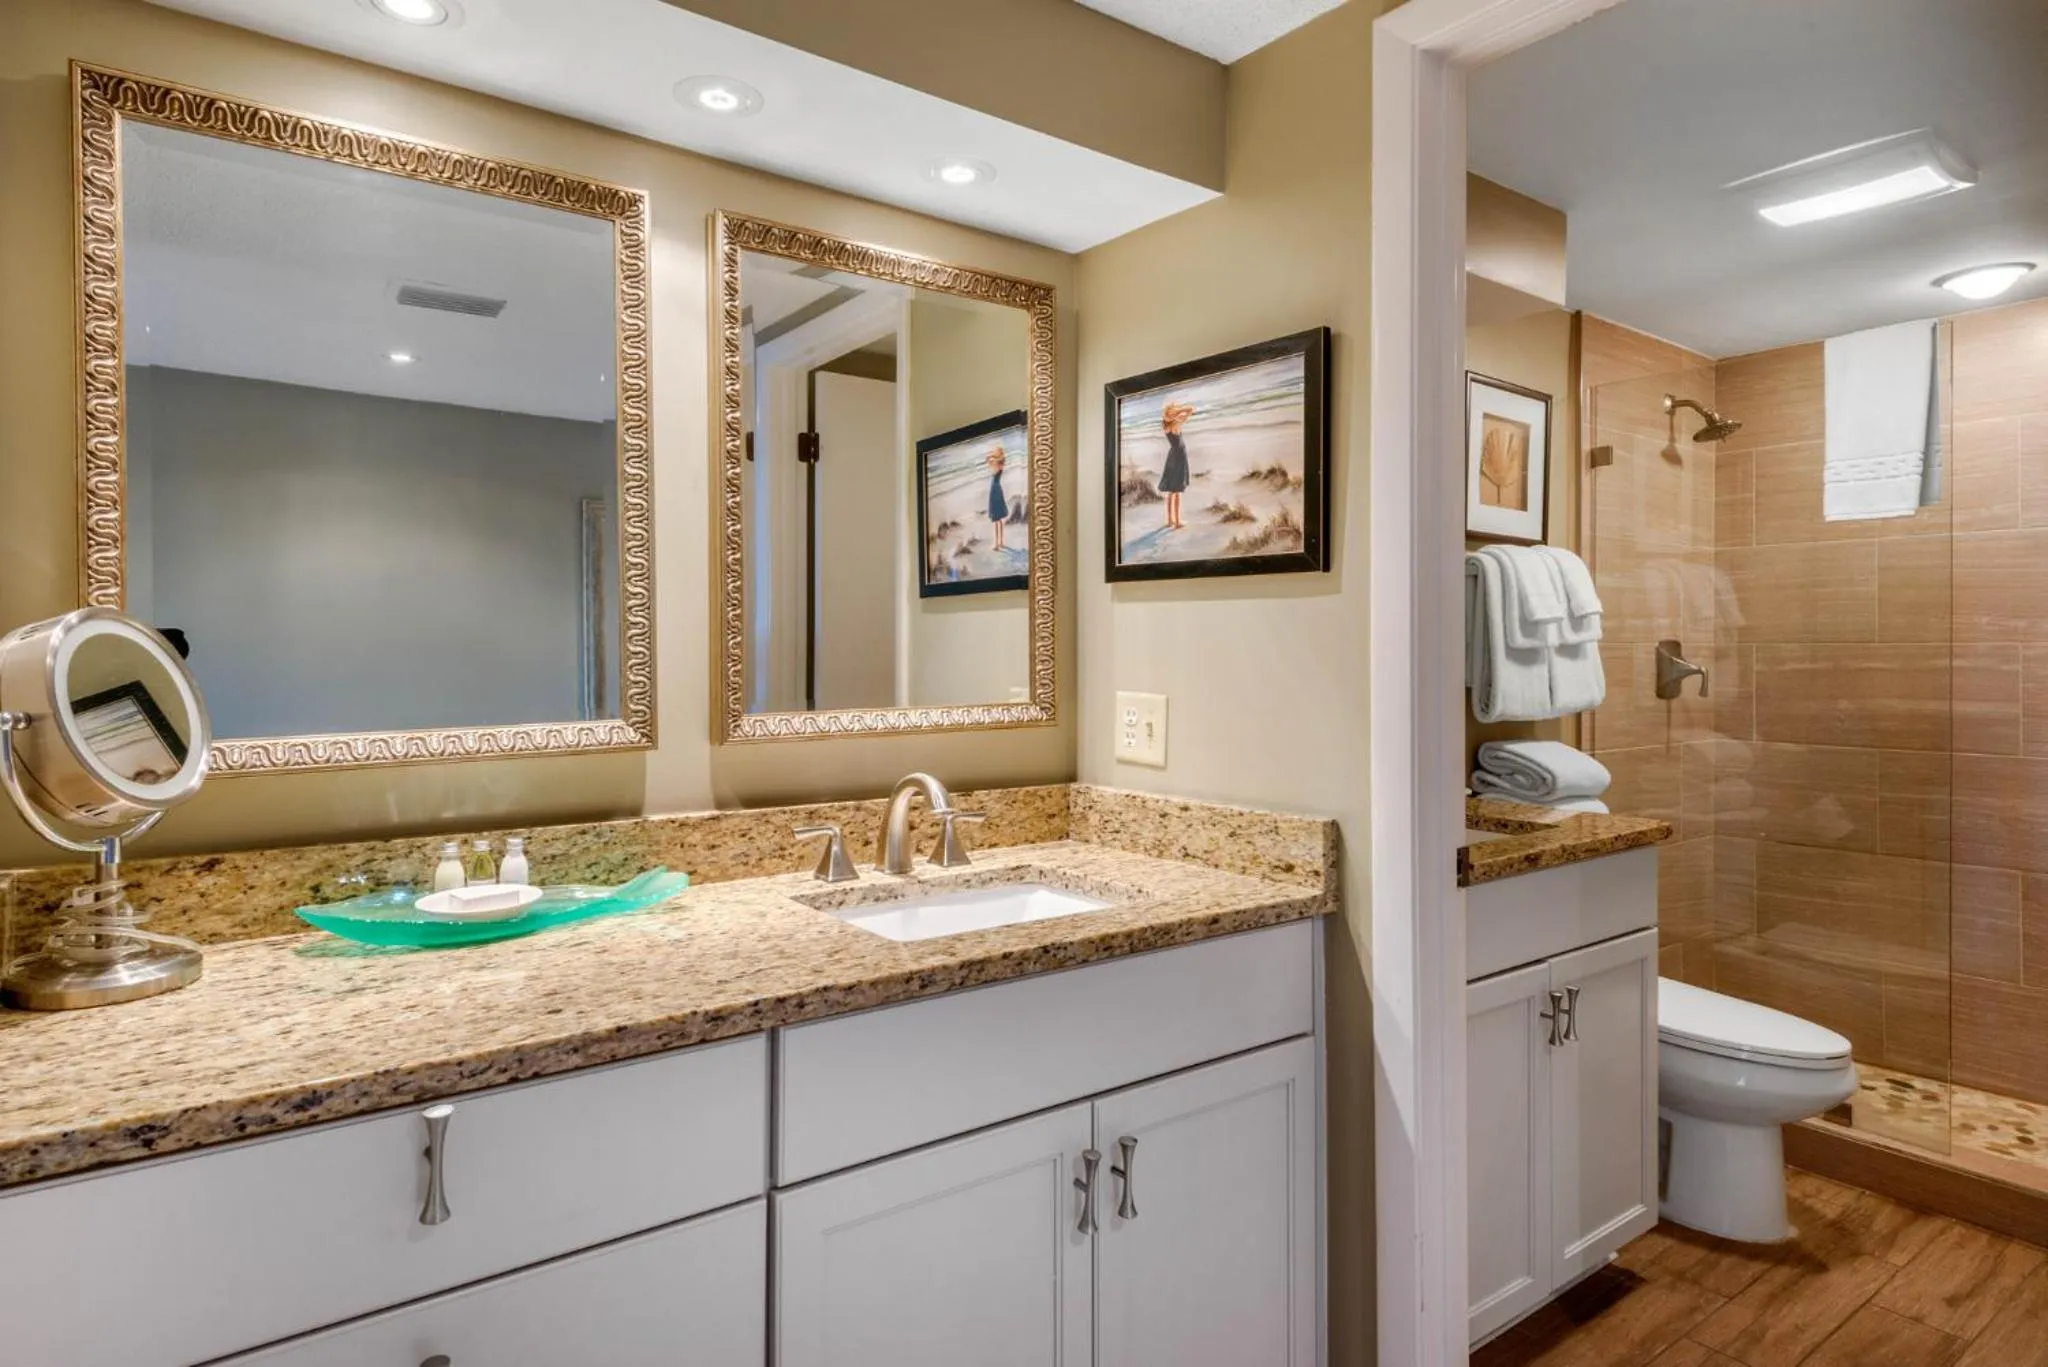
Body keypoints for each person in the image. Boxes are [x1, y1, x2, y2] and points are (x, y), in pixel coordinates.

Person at [1158, 401, 1194, 530]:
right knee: (1176, 491)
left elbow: (1191, 409)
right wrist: (1177, 412)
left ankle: (1170, 521)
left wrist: (1177, 411)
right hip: (1177, 458)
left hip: (1175, 457)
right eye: (1172, 411)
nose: (1175, 412)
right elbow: (1188, 410)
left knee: (1172, 491)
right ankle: (1177, 522)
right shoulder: (1171, 423)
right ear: (1169, 413)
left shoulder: (1173, 422)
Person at [986, 448, 1010, 552]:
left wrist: (993, 456)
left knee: (997, 519)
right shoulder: (999, 463)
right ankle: (1000, 542)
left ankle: (997, 543)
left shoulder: (998, 464)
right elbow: (988, 460)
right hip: (996, 489)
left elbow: (988, 460)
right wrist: (994, 456)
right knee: (998, 519)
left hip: (995, 490)